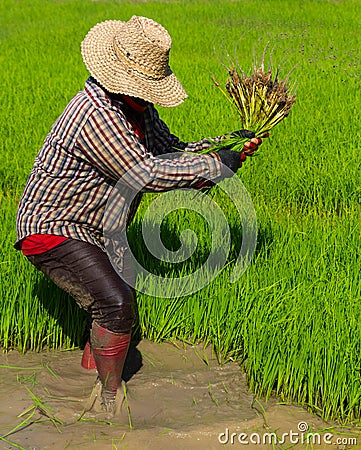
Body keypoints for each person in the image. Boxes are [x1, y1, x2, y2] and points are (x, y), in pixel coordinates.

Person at [14, 15, 263, 416]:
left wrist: (227, 147)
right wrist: (214, 168)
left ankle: (85, 373)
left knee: (107, 301)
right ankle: (109, 402)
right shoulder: (95, 113)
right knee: (117, 303)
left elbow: (172, 153)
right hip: (53, 229)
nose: (149, 96)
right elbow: (143, 174)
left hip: (96, 228)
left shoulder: (138, 109)